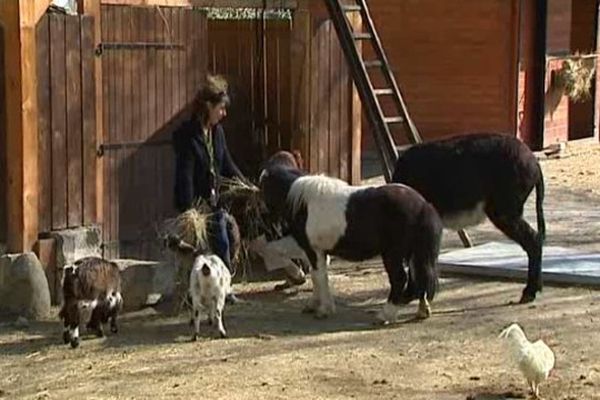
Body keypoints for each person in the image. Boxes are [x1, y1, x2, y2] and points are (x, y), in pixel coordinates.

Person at [172, 75, 244, 304]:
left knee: (230, 235)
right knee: (220, 232)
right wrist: (190, 210)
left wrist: (246, 184)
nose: (224, 114)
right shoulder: (189, 136)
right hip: (196, 205)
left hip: (214, 202)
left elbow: (227, 164)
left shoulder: (217, 133)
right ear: (208, 106)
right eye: (221, 108)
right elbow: (185, 175)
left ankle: (223, 285)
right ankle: (223, 290)